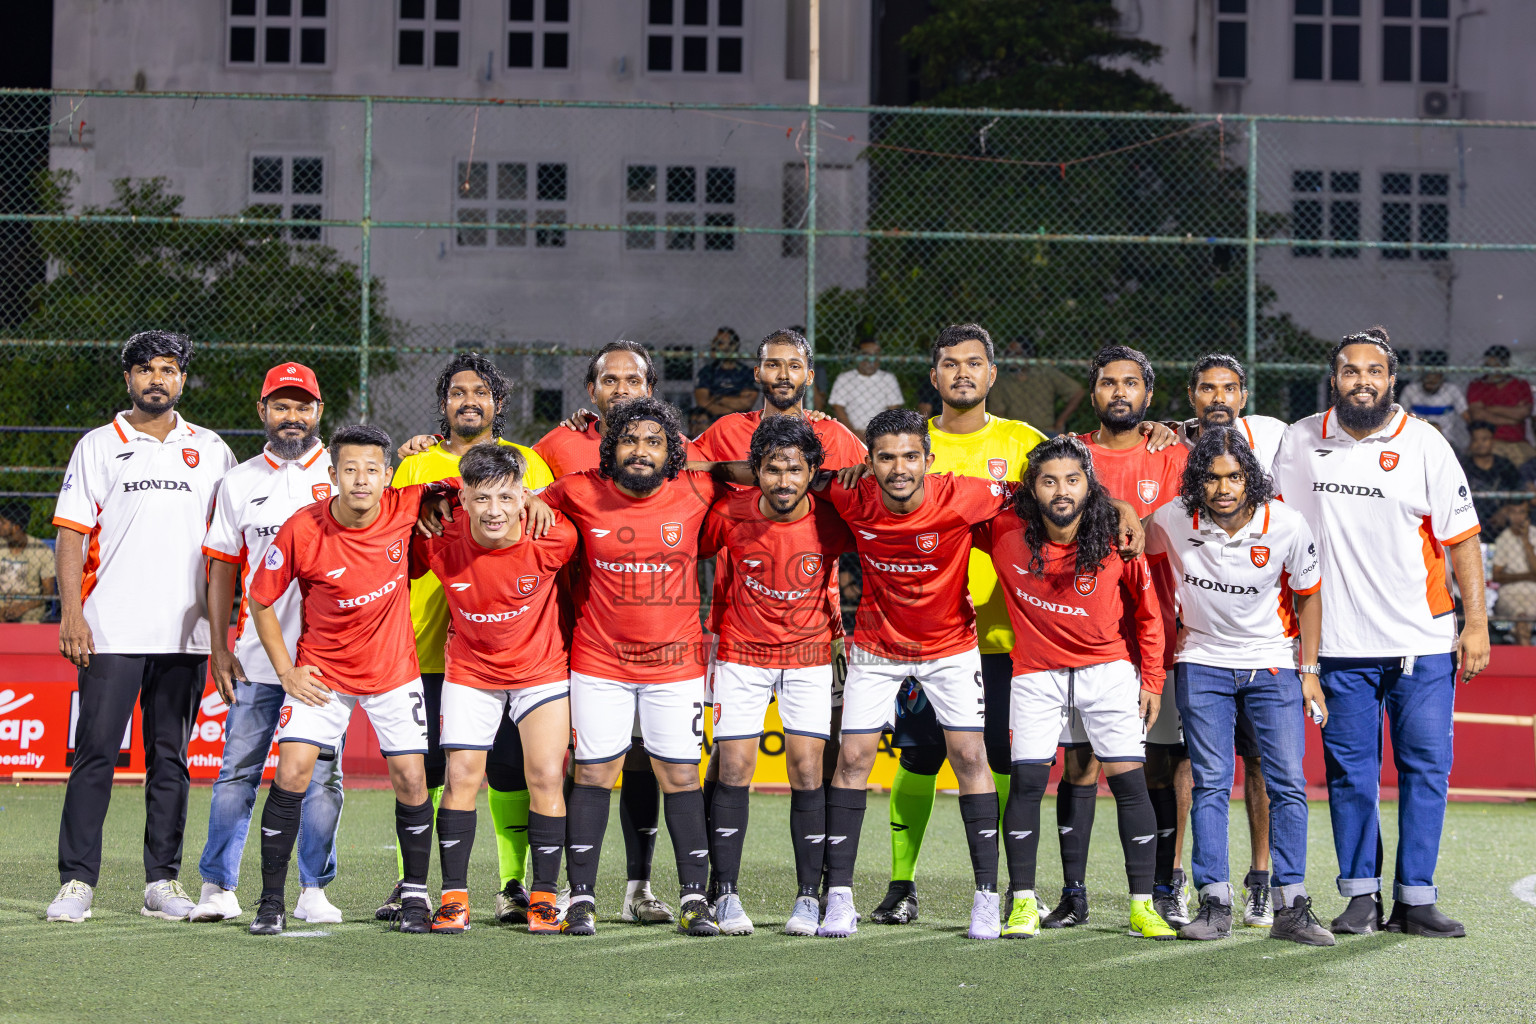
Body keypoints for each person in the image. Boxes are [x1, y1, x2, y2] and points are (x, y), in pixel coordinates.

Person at [1273, 326, 1488, 938]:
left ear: (1391, 380)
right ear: (1333, 378)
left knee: (1426, 768)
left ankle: (1416, 898)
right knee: (1350, 775)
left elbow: (1463, 538)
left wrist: (1475, 623)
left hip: (1420, 643)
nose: (1362, 380)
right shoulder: (1297, 441)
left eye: (1374, 371)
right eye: (1350, 370)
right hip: (1337, 648)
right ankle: (1361, 897)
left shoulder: (1425, 443)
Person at [46, 330, 237, 925]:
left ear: (182, 379)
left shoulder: (211, 449)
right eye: (146, 369)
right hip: (110, 631)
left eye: (170, 369)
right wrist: (73, 612)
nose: (158, 378)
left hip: (186, 636)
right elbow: (72, 533)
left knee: (171, 760)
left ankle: (162, 881)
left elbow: (228, 546)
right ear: (127, 377)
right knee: (95, 755)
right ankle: (77, 882)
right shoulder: (99, 445)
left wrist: (224, 634)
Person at [867, 323, 1049, 926]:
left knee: (997, 758)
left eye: (975, 363)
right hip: (922, 634)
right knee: (917, 758)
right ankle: (901, 885)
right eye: (950, 363)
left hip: (1003, 634)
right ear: (934, 373)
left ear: (993, 374)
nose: (962, 373)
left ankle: (998, 889)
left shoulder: (1024, 442)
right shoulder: (910, 443)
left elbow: (1075, 487)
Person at [537, 397, 733, 937]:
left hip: (676, 664)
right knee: (595, 772)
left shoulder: (696, 490)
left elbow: (744, 474)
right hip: (599, 661)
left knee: (678, 775)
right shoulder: (577, 490)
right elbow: (524, 499)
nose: (640, 451)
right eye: (629, 440)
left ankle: (695, 898)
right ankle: (580, 899)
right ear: (610, 447)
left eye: (653, 441)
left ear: (672, 452)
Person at [815, 409, 1012, 941]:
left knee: (970, 756)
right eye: (885, 457)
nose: (898, 468)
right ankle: (839, 899)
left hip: (951, 647)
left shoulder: (966, 494)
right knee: (853, 758)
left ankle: (986, 899)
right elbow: (783, 473)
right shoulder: (850, 495)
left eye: (909, 456)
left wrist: (1121, 506)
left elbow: (1042, 489)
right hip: (877, 648)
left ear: (928, 458)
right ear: (869, 461)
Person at [244, 424, 445, 936]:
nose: (361, 480)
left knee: (412, 779)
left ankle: (417, 898)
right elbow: (260, 600)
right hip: (323, 675)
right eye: (350, 470)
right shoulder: (301, 527)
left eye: (372, 470)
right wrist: (286, 671)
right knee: (291, 774)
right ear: (332, 475)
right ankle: (271, 901)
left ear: (388, 476)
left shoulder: (409, 504)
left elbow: (476, 482)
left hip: (393, 671)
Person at [975, 435, 1175, 941]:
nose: (1061, 491)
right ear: (1031, 489)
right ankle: (1022, 903)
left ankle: (1142, 905)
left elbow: (1149, 616)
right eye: (1049, 481)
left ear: (1089, 485)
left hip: (1107, 673)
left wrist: (1151, 679)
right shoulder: (1003, 530)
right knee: (1025, 785)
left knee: (1129, 783)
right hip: (1035, 675)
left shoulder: (1117, 538)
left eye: (1072, 479)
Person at [379, 352, 555, 926]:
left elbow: (548, 533)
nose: (469, 399)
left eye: (481, 391)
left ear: (498, 403)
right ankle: (420, 886)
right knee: (428, 770)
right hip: (422, 641)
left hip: (507, 648)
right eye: (457, 392)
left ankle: (512, 883)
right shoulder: (414, 466)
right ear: (444, 404)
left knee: (508, 770)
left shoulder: (528, 462)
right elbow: (385, 536)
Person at [1147, 426, 1335, 945]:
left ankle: (1291, 907)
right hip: (1202, 662)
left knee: (1288, 785)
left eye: (1233, 477)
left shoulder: (1288, 525)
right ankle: (1215, 903)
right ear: (1197, 483)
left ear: (1250, 478)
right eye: (1211, 478)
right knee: (1210, 781)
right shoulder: (1171, 520)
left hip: (1272, 665)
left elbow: (1309, 597)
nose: (1223, 488)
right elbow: (1129, 539)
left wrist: (1310, 671)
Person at [189, 363, 344, 926]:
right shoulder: (238, 481)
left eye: (302, 406)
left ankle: (313, 889)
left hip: (328, 660)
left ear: (319, 412)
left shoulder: (344, 471)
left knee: (322, 775)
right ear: (263, 412)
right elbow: (223, 570)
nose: (292, 417)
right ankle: (218, 886)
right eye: (281, 406)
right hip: (255, 656)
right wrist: (219, 645)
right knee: (238, 771)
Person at [409, 443, 578, 934]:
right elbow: (393, 540)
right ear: (462, 497)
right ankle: (454, 898)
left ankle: (544, 897)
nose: (495, 510)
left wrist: (544, 499)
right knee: (462, 778)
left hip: (539, 672)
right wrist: (427, 499)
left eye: (507, 497)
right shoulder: (439, 538)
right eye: (482, 498)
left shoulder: (553, 536)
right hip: (471, 674)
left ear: (524, 496)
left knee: (546, 776)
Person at [1052, 344, 1191, 931]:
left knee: (1166, 766)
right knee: (1080, 765)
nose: (1119, 393)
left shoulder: (1176, 454)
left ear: (1148, 396)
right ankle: (1074, 893)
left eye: (1130, 383)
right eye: (1108, 382)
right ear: (1094, 393)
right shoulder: (1071, 456)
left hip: (1167, 630)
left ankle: (1168, 884)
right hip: (1091, 636)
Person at [697, 416, 854, 936]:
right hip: (741, 655)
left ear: (812, 471)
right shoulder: (729, 513)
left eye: (794, 469)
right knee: (735, 767)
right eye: (771, 469)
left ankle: (809, 898)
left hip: (809, 657)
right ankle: (724, 894)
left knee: (808, 771)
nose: (783, 481)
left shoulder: (833, 517)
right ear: (755, 472)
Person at [1174, 352, 1289, 925]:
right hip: (1193, 640)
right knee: (1189, 765)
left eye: (1229, 388)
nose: (1218, 398)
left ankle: (1262, 879)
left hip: (1266, 637)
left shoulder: (1273, 436)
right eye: (1206, 389)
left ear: (1243, 395)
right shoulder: (1170, 445)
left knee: (1264, 766)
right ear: (1191, 395)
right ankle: (1181, 880)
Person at [986, 338, 1087, 435]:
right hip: (1017, 433)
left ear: (1028, 355)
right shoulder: (1001, 379)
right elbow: (998, 412)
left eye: (1017, 354)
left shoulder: (1045, 373)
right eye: (1008, 354)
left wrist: (1060, 422)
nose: (1011, 358)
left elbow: (1078, 391)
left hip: (1045, 431)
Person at [1466, 344, 1535, 467]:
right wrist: (1512, 417)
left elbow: (1523, 413)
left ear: (1506, 365)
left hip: (1517, 441)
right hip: (1491, 441)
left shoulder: (1521, 384)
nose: (1493, 370)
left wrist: (1491, 409)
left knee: (1528, 462)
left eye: (1497, 365)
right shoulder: (1477, 385)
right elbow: (1478, 415)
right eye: (1489, 366)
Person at [828, 339, 905, 441]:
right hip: (850, 433)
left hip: (881, 434)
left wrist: (878, 434)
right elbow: (838, 408)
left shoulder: (888, 378)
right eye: (866, 355)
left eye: (875, 355)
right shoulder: (845, 378)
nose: (870, 360)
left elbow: (894, 411)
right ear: (857, 356)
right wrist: (854, 434)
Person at [1397, 350, 1467, 453]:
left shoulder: (1452, 390)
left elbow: (1467, 416)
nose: (1431, 378)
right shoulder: (1411, 390)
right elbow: (1400, 416)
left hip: (1446, 440)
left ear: (1442, 375)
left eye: (1435, 375)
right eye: (1427, 374)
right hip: (1416, 440)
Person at [1460, 421, 1522, 528]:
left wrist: (1506, 510)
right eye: (1475, 440)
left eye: (1484, 439)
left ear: (1493, 441)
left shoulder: (1505, 466)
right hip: (1470, 520)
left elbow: (1519, 490)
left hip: (1503, 521)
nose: (1480, 444)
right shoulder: (1463, 467)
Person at [0, 500, 54, 623]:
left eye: (3, 522)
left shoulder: (41, 550)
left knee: (30, 619)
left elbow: (48, 591)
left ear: (16, 527)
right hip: (1, 602)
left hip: (30, 605)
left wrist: (23, 607)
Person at [1491, 498, 1536, 646]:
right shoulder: (1503, 538)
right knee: (1522, 620)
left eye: (1522, 512)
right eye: (1513, 512)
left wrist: (1526, 542)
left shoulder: (1534, 535)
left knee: (1522, 623)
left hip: (1533, 592)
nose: (1518, 517)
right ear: (1508, 515)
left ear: (1528, 515)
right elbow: (1496, 576)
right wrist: (1529, 576)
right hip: (1510, 593)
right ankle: (1527, 664)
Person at [694, 327, 758, 421]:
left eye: (730, 343)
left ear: (736, 345)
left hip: (739, 423)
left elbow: (747, 403)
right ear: (714, 345)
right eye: (720, 343)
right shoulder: (707, 372)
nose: (726, 347)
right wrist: (734, 405)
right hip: (713, 422)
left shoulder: (745, 372)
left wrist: (718, 398)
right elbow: (703, 403)